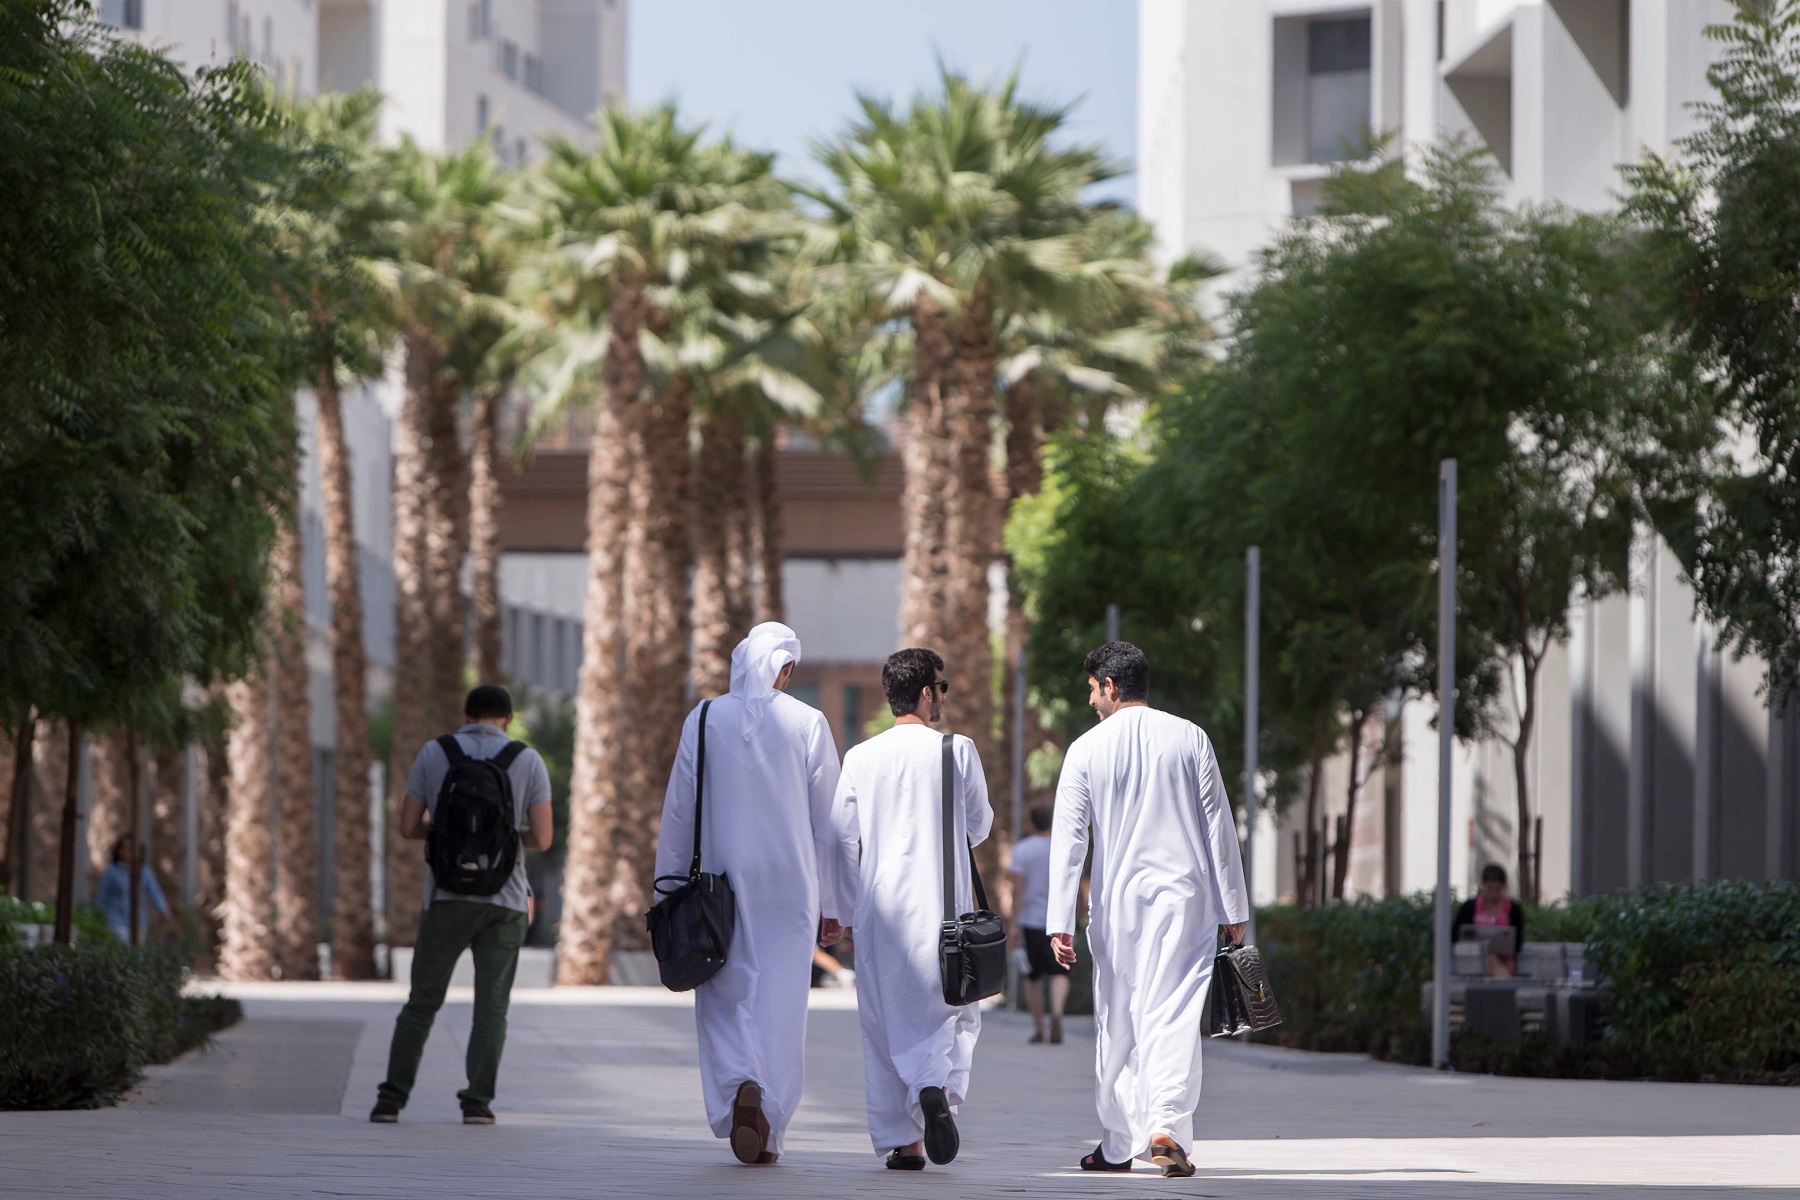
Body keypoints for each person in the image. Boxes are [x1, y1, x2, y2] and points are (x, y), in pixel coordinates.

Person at [1046, 641, 1249, 1179]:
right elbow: (1218, 824)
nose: (1091, 701)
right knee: (1174, 1013)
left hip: (1118, 907)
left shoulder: (1085, 749)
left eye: (1093, 689)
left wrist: (1059, 921)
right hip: (1187, 902)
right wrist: (1233, 905)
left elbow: (1069, 840)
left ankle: (1117, 1144)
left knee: (1118, 1019)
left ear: (1111, 686)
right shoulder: (1190, 737)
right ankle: (1164, 1127)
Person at [654, 622, 842, 1166]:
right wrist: (836, 903)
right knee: (782, 1004)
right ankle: (770, 1123)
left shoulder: (704, 718)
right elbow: (830, 824)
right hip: (792, 889)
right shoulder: (808, 721)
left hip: (718, 889)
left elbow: (679, 810)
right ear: (786, 668)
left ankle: (742, 1085)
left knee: (723, 994)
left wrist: (667, 888)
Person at [831, 648, 992, 1171]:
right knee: (952, 1012)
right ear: (926, 692)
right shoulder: (957, 750)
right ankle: (933, 1087)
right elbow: (979, 826)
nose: (942, 697)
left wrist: (842, 909)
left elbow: (840, 839)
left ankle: (906, 1145)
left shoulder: (860, 757)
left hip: (880, 913)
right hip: (945, 912)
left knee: (883, 1023)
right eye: (941, 688)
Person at [370, 684, 552, 1126]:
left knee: (421, 1002)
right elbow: (543, 838)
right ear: (507, 719)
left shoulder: (435, 753)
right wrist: (503, 838)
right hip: (505, 900)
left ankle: (390, 1100)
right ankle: (477, 1102)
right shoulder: (527, 760)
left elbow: (408, 827)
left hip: (446, 897)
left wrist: (450, 835)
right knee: (491, 1007)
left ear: (466, 715)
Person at [1008, 804, 1068, 1045]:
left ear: (1032, 821)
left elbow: (1017, 890)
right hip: (1059, 920)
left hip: (1031, 920)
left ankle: (1040, 1028)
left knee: (1032, 977)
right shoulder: (1061, 847)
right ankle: (1057, 1013)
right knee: (1059, 972)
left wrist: (1014, 923)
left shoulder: (1022, 850)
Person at [95, 835, 172, 944]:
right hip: (116, 920)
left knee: (136, 950)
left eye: (131, 849)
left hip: (139, 922)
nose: (127, 853)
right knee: (121, 948)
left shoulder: (144, 872)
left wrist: (163, 909)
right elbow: (103, 896)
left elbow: (154, 891)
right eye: (124, 849)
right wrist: (98, 914)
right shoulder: (111, 872)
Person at [1455, 863, 1525, 977]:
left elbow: (1517, 942)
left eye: (1498, 889)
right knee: (1489, 958)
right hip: (1473, 960)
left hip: (1505, 961)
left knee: (1492, 959)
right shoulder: (1469, 908)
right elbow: (1457, 935)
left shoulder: (1513, 909)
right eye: (1490, 888)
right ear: (1483, 886)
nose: (1494, 894)